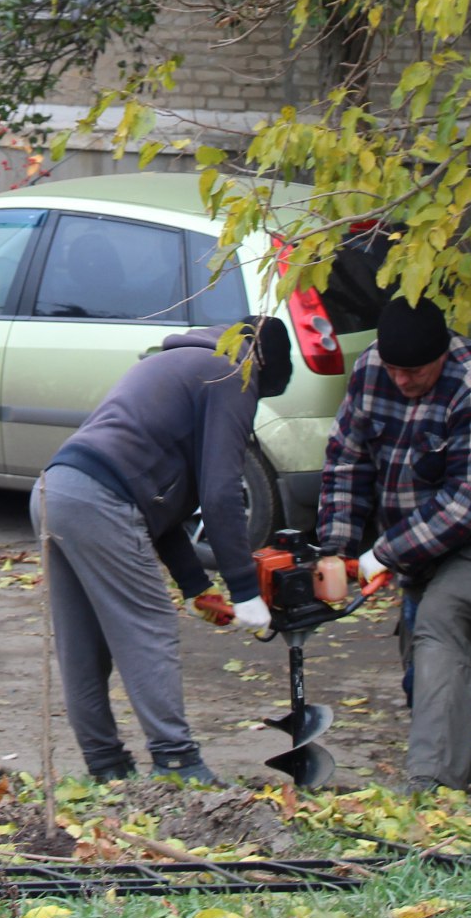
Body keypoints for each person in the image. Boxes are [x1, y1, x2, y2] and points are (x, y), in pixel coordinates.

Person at [32, 315, 294, 784]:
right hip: (101, 499)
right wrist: (244, 589)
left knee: (82, 643)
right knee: (148, 627)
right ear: (265, 372)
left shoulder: (181, 363)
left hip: (55, 490)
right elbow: (220, 492)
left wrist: (196, 587)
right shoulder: (232, 374)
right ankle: (178, 764)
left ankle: (106, 768)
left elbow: (158, 501)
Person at [314, 296, 471, 796]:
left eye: (415, 371)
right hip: (418, 543)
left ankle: (431, 792)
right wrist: (337, 548)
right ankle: (457, 785)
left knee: (441, 622)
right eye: (394, 368)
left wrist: (381, 555)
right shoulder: (372, 369)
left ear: (443, 353)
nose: (401, 380)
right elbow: (346, 461)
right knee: (419, 656)